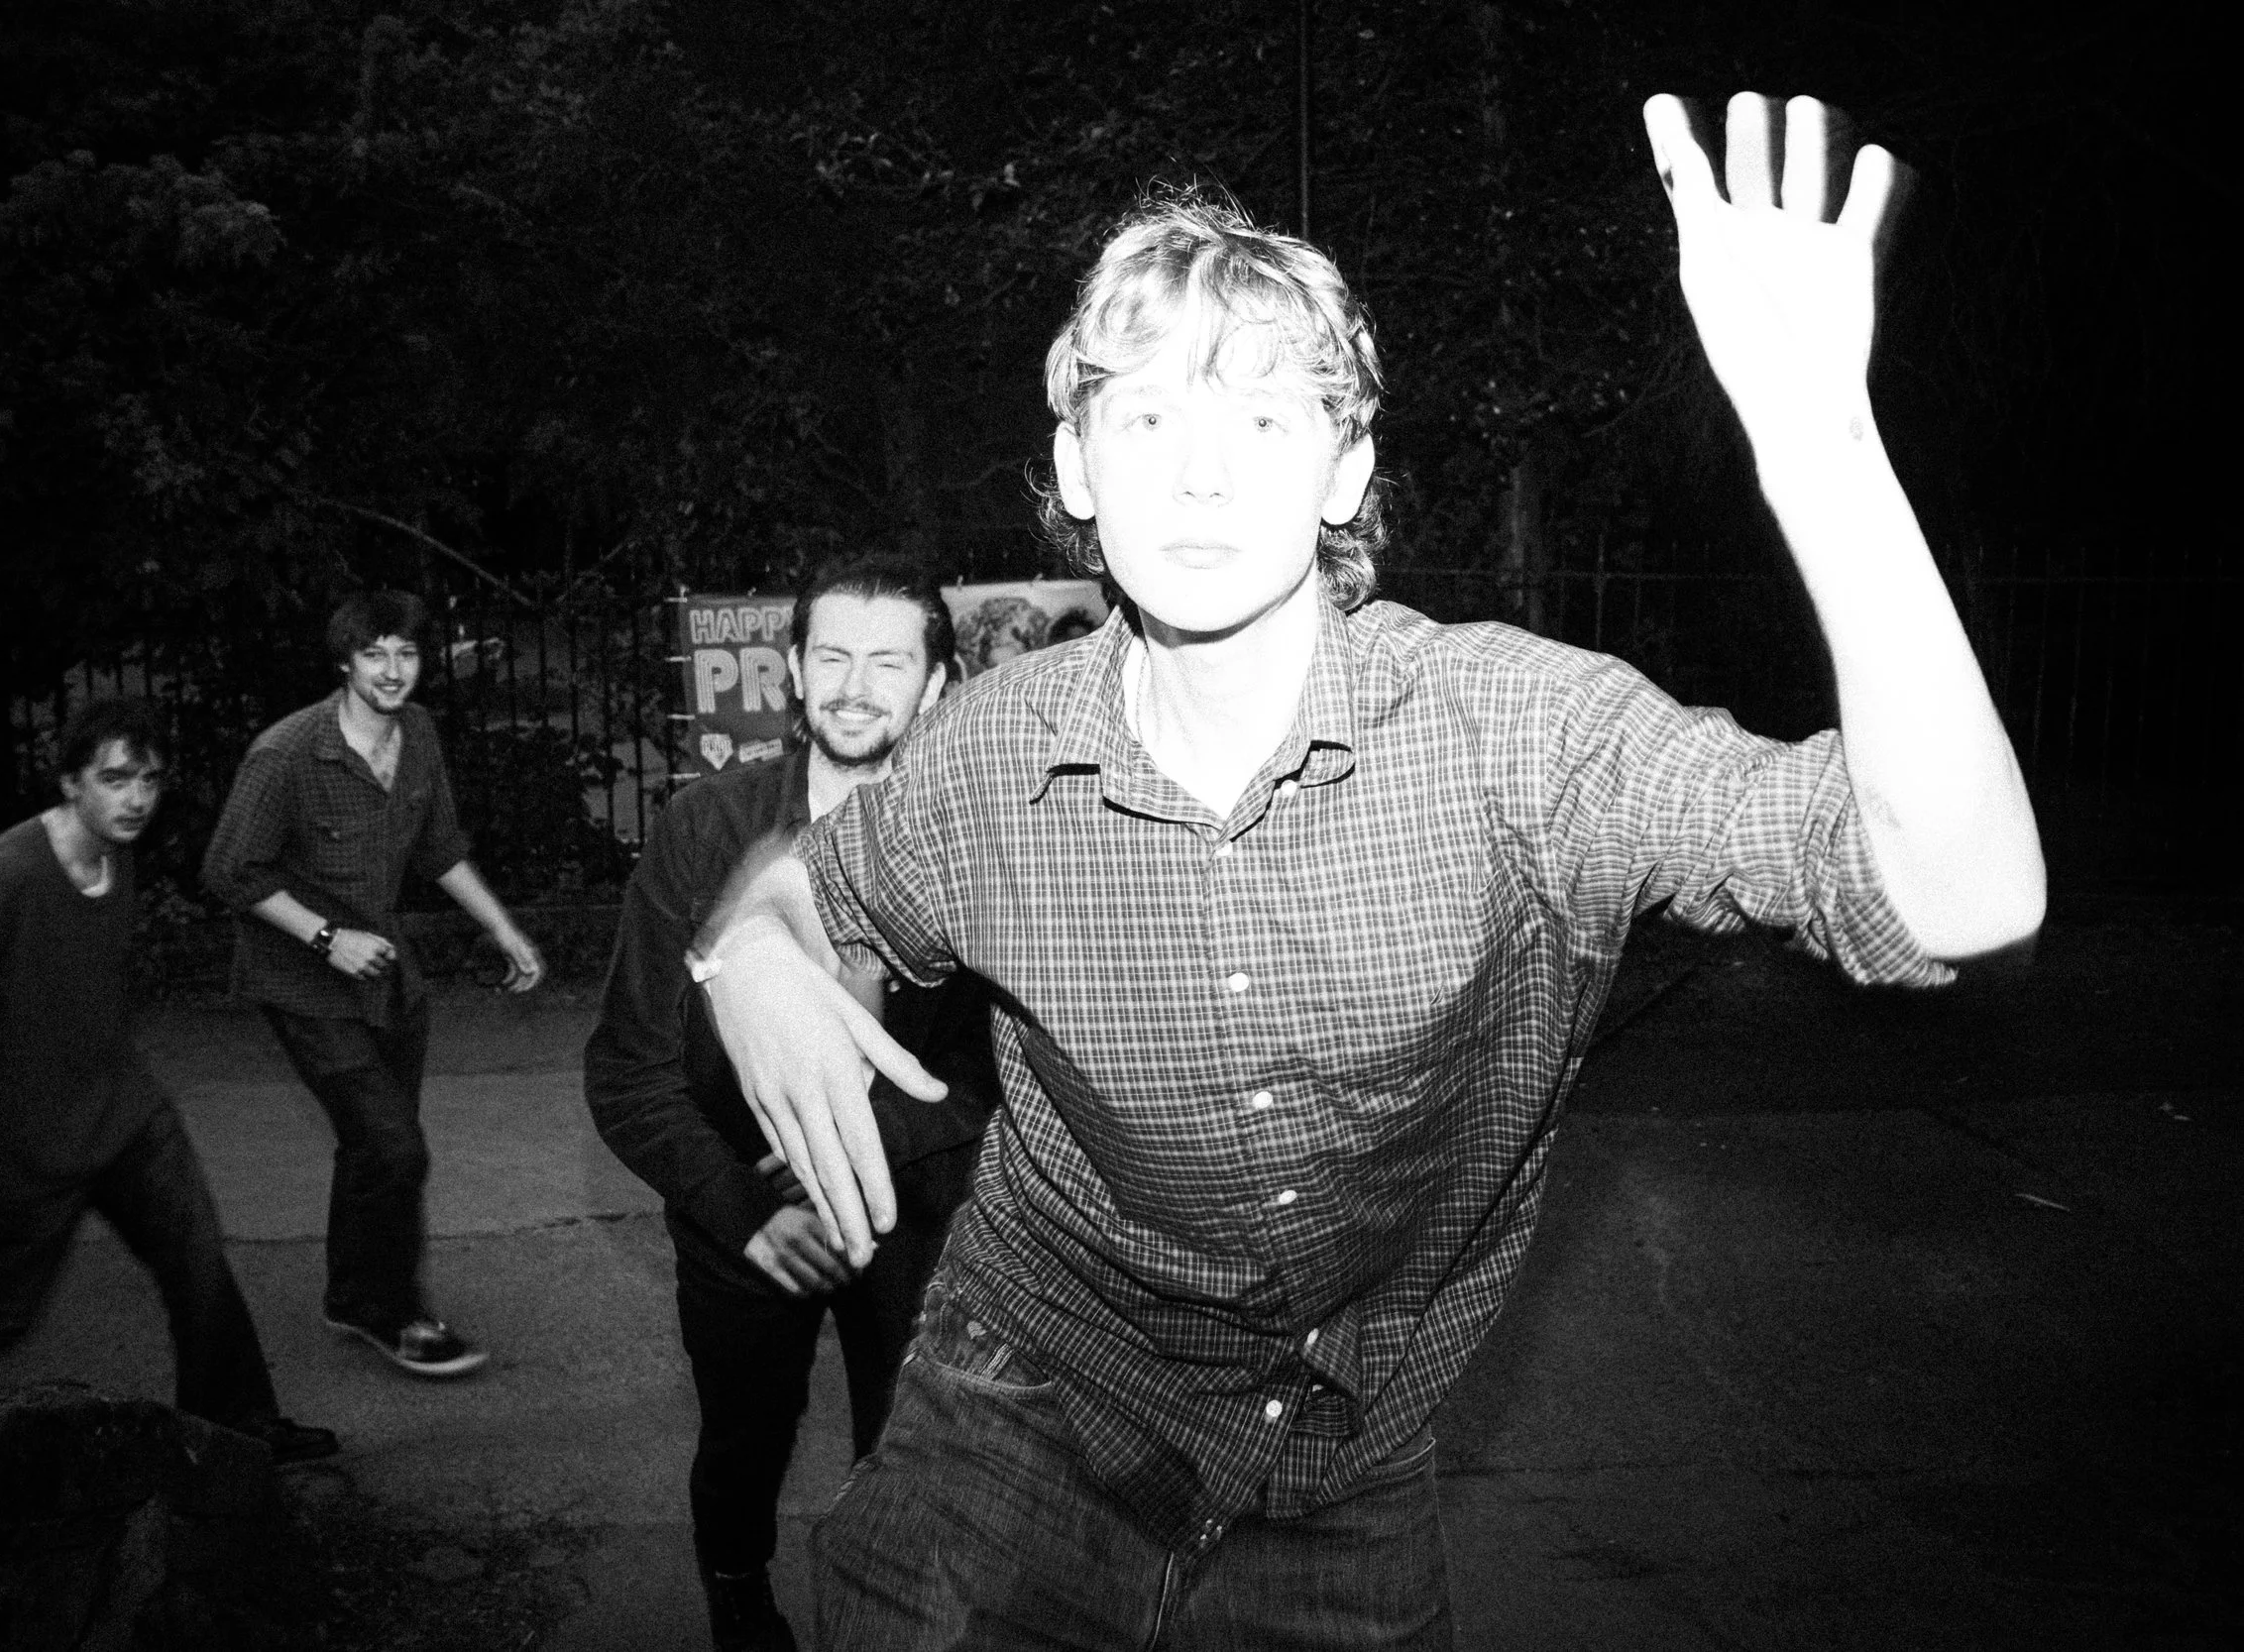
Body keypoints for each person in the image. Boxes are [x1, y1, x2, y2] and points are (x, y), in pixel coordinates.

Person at [687, 93, 2047, 1648]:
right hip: (1017, 1401)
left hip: (1341, 1460)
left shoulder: (1519, 736)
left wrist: (1825, 446)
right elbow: (807, 890)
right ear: (1075, 462)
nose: (1203, 473)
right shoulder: (993, 752)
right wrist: (757, 954)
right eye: (1149, 418)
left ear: (1346, 470)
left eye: (1265, 417)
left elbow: (1965, 893)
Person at [585, 556, 1002, 1652]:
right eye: (832, 656)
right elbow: (627, 1069)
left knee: (907, 1453)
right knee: (743, 1438)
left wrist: (848, 1155)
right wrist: (746, 1206)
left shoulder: (979, 841)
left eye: (888, 660)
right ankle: (735, 1595)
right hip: (742, 1218)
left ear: (937, 683)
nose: (855, 685)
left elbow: (993, 1074)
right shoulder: (705, 829)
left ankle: (886, 1615)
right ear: (793, 671)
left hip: (911, 1218)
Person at [0, 698, 336, 1464]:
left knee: (196, 1262)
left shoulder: (116, 855)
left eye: (149, 780)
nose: (137, 799)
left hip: (121, 1116)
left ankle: (235, 1428)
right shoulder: (8, 876)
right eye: (115, 779)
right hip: (17, 1144)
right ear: (69, 783)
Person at [202, 590, 544, 1379]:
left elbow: (440, 847)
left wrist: (503, 927)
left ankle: (354, 1293)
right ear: (345, 663)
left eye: (407, 655)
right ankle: (398, 1312)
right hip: (300, 979)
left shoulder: (417, 734)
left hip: (386, 977)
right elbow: (227, 870)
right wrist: (325, 937)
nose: (393, 672)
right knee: (395, 1147)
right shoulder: (286, 755)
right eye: (375, 655)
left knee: (374, 1145)